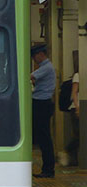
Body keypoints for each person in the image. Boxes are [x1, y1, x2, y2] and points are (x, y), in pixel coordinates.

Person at [31, 43, 56, 178]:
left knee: (44, 138)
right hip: (42, 103)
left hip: (41, 104)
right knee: (43, 137)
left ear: (41, 54)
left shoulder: (46, 67)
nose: (34, 59)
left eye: (35, 56)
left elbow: (30, 77)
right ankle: (47, 168)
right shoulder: (45, 67)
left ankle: (48, 169)